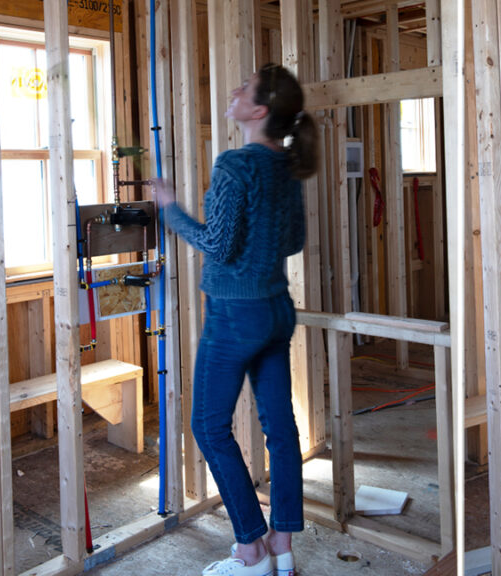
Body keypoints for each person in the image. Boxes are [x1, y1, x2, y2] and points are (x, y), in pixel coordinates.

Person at [155, 63, 317, 576]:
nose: (232, 91)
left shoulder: (236, 165)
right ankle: (282, 544)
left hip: (234, 314)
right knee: (279, 427)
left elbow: (217, 245)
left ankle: (250, 549)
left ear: (259, 109)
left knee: (207, 424)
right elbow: (292, 241)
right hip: (276, 309)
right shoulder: (284, 165)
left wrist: (170, 209)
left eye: (242, 88)